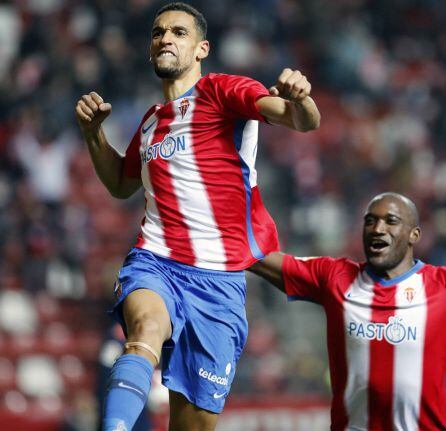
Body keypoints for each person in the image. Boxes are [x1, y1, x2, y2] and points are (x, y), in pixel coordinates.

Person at [75, 2, 320, 431]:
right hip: (156, 262)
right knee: (145, 329)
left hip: (219, 283)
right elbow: (119, 184)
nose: (164, 38)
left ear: (201, 48)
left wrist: (301, 99)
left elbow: (300, 121)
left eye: (178, 32)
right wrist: (94, 133)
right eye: (157, 32)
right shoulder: (151, 123)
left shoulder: (222, 91)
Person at [249, 192, 446, 430]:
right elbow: (256, 255)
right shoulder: (335, 277)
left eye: (391, 221)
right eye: (370, 221)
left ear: (414, 234)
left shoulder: (441, 285)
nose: (378, 228)